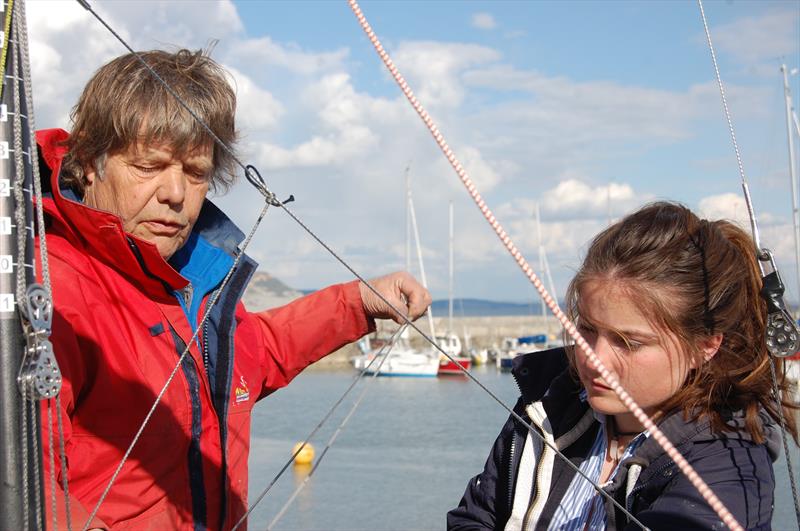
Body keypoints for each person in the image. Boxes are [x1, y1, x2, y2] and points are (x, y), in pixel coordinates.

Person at [36, 49, 430, 530]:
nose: (175, 193)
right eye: (149, 165)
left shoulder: (187, 276)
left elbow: (247, 355)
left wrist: (357, 302)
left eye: (196, 172)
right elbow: (23, 483)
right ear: (90, 163)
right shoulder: (53, 289)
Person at [448, 201, 797, 530]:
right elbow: (476, 518)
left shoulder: (728, 465)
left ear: (704, 346)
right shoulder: (551, 399)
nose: (592, 357)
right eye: (585, 329)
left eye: (628, 342)